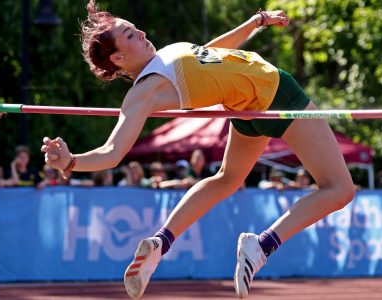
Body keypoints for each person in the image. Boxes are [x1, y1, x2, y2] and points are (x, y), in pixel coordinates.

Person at [41, 1, 355, 298]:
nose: (142, 33)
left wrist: (255, 22)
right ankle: (262, 245)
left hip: (245, 109)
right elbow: (113, 152)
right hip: (275, 93)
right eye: (131, 36)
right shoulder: (144, 93)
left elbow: (213, 52)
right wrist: (70, 162)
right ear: (118, 59)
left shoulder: (165, 58)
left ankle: (161, 242)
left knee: (227, 178)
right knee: (340, 189)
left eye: (136, 28)